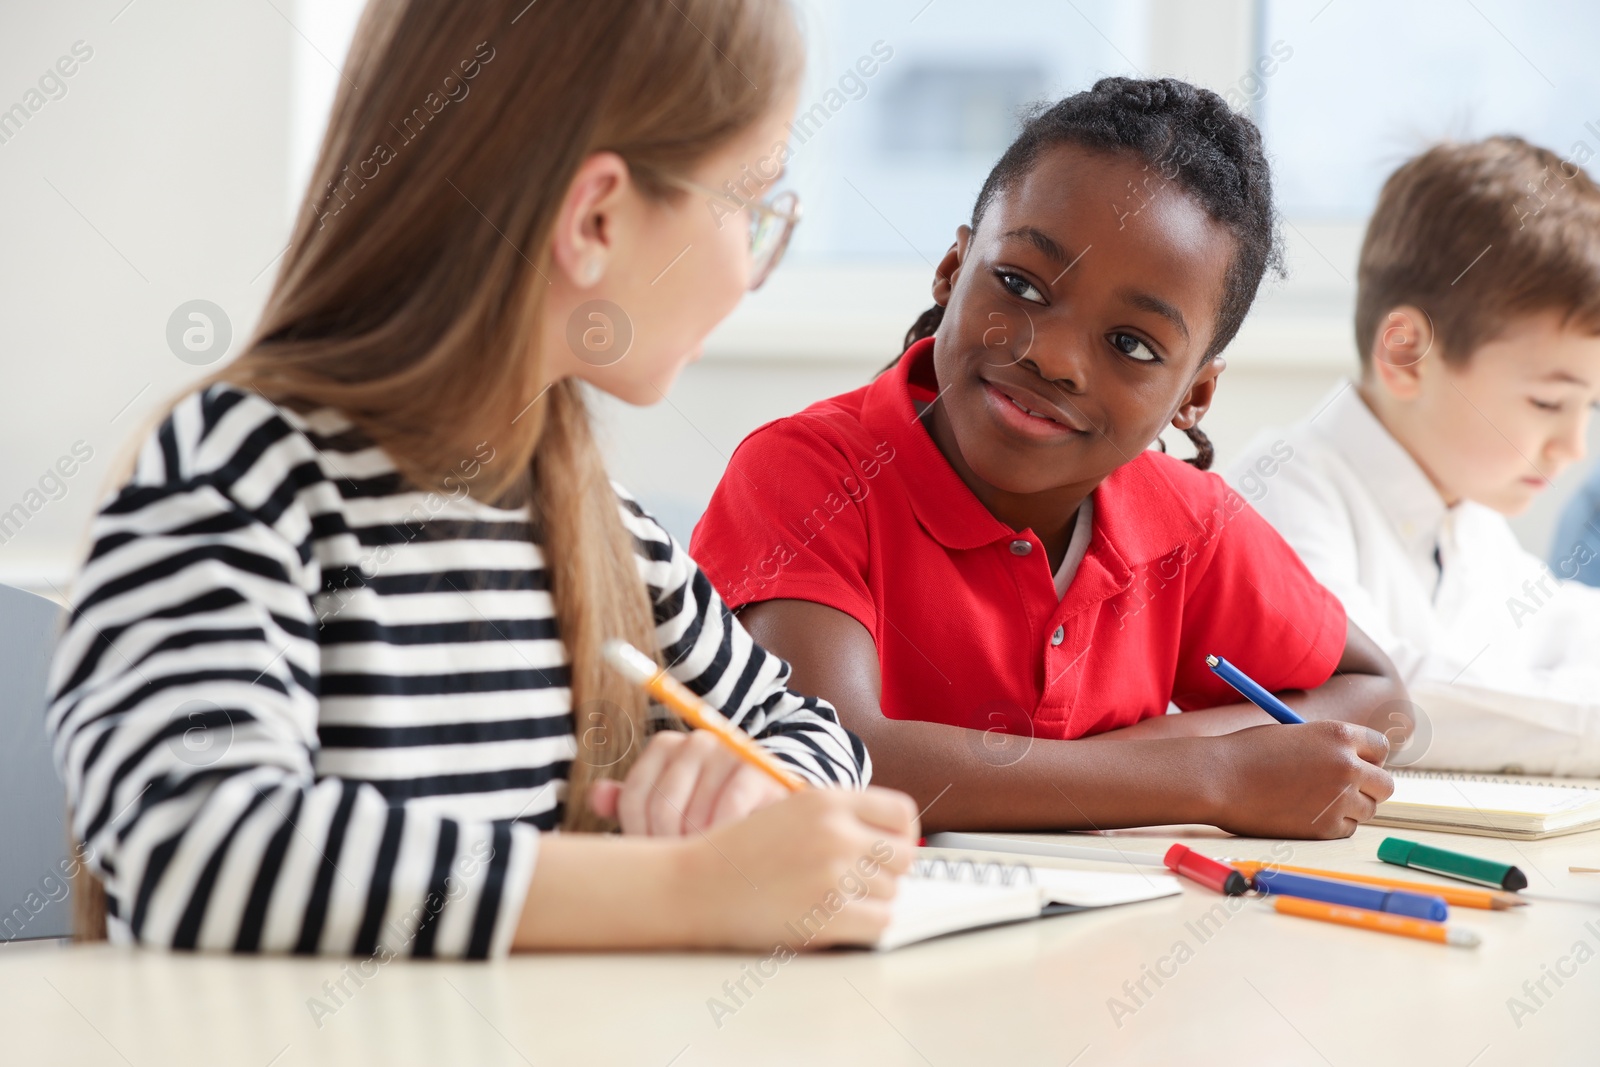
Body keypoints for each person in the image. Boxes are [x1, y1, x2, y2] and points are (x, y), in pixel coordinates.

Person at [47, 0, 918, 959]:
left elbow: (813, 733)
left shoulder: (599, 529)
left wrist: (745, 781)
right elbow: (197, 849)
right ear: (594, 219)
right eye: (749, 206)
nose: (757, 267)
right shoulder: (234, 475)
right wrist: (690, 887)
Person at [689, 78, 1406, 840]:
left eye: (1131, 344)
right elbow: (834, 755)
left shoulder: (1186, 522)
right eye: (1021, 284)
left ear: (1193, 395)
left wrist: (1131, 755)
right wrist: (1213, 775)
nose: (1056, 358)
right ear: (951, 269)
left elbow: (1379, 695)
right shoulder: (809, 471)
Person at [1228, 136, 1600, 776]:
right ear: (1406, 355)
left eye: (1590, 408)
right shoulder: (1282, 492)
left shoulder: (1469, 518)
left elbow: (1566, 629)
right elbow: (1382, 701)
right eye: (1547, 403)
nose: (1573, 449)